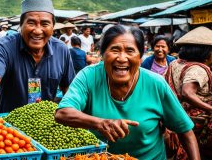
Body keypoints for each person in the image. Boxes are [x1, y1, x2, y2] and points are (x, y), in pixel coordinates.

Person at [54, 25, 200, 160]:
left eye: (130, 51)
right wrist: (101, 123)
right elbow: (63, 113)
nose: (122, 58)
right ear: (102, 54)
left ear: (140, 56)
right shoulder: (89, 76)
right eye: (115, 50)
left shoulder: (156, 84)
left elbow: (185, 131)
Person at [0, 0, 75, 118]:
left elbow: (68, 87)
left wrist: (71, 110)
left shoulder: (61, 50)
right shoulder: (3, 47)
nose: (38, 31)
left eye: (45, 24)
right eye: (31, 23)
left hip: (48, 124)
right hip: (11, 125)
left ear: (53, 27)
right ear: (21, 25)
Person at [165, 26, 212, 159]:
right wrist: (210, 108)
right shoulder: (198, 69)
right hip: (197, 125)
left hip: (175, 118)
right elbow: (187, 92)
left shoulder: (175, 63)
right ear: (207, 53)